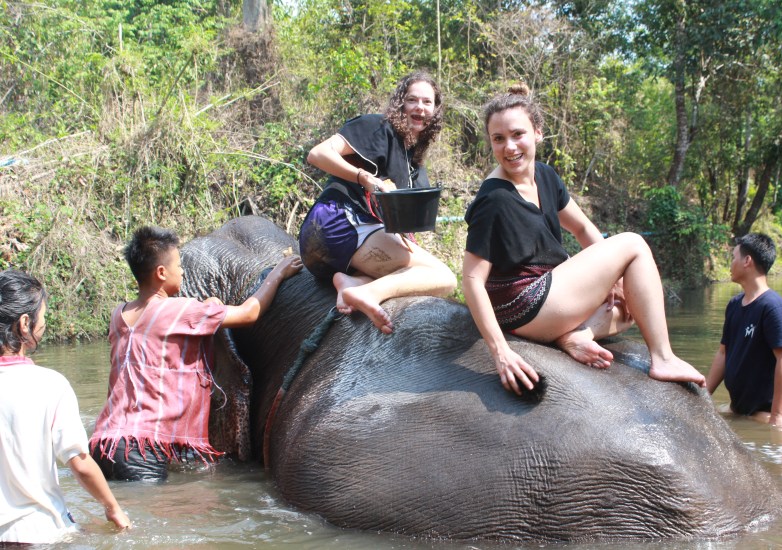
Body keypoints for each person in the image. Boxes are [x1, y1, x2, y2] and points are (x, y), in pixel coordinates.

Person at [462, 84, 706, 395]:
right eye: (499, 139)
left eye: (517, 134)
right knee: (633, 244)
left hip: (548, 297)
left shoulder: (546, 176)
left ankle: (574, 335)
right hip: (520, 303)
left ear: (537, 132)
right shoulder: (494, 199)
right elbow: (471, 278)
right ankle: (663, 357)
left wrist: (616, 281)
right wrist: (501, 352)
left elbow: (583, 230)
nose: (509, 147)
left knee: (631, 307)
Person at [88, 226, 302, 481]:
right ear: (161, 273)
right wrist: (277, 273)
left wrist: (206, 308)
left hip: (103, 442)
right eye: (178, 266)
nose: (182, 271)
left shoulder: (118, 315)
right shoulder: (179, 309)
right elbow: (248, 314)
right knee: (145, 519)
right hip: (141, 450)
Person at [299, 71, 457, 334]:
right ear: (400, 104)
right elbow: (317, 154)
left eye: (427, 102)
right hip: (338, 222)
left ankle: (351, 282)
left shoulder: (415, 165)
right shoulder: (377, 127)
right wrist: (364, 178)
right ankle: (368, 293)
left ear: (435, 111)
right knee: (445, 278)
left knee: (415, 275)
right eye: (412, 100)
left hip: (346, 252)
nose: (419, 107)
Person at [0, 270, 130, 543]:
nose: (44, 324)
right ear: (25, 323)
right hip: (37, 532)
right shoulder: (50, 385)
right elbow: (80, 463)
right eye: (43, 316)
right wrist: (113, 508)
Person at [706, 233, 782, 428]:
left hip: (763, 415)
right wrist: (703, 395)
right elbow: (723, 352)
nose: (730, 264)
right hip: (737, 409)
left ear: (747, 261)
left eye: (733, 257)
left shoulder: (774, 308)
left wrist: (778, 417)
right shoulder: (734, 305)